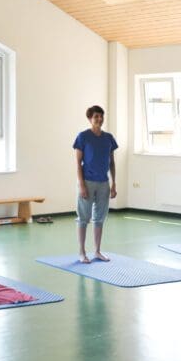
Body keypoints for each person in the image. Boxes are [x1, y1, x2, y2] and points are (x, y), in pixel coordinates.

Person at [73, 105, 118, 263]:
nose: (99, 119)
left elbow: (111, 162)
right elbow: (78, 163)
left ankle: (97, 251)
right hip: (87, 181)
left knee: (99, 218)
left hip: (103, 183)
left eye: (101, 116)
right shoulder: (83, 137)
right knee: (83, 218)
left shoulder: (109, 138)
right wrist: (81, 185)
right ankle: (82, 252)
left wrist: (113, 183)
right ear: (90, 119)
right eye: (96, 116)